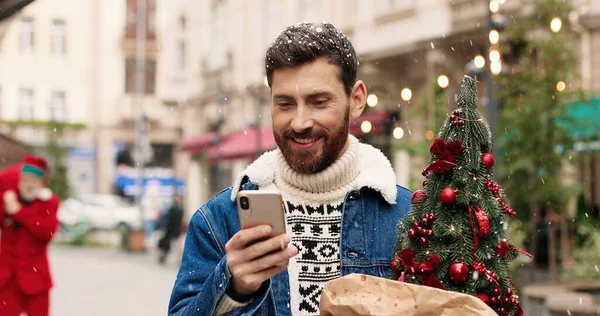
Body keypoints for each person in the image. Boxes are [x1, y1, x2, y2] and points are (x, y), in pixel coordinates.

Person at [168, 22, 412, 316]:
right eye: (285, 104)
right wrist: (232, 288)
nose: (299, 122)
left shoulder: (408, 218)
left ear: (356, 100)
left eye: (318, 102)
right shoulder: (218, 221)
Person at [0, 155, 60, 316]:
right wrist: (6, 208)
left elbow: (46, 232)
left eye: (34, 180)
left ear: (41, 183)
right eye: (26, 179)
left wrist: (18, 212)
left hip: (35, 279)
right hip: (7, 279)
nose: (29, 183)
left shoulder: (49, 202)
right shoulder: (8, 198)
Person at [158, 195, 184, 264]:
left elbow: (169, 220)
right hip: (174, 230)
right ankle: (178, 260)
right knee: (174, 246)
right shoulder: (178, 209)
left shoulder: (175, 209)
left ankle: (166, 257)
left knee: (171, 246)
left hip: (172, 230)